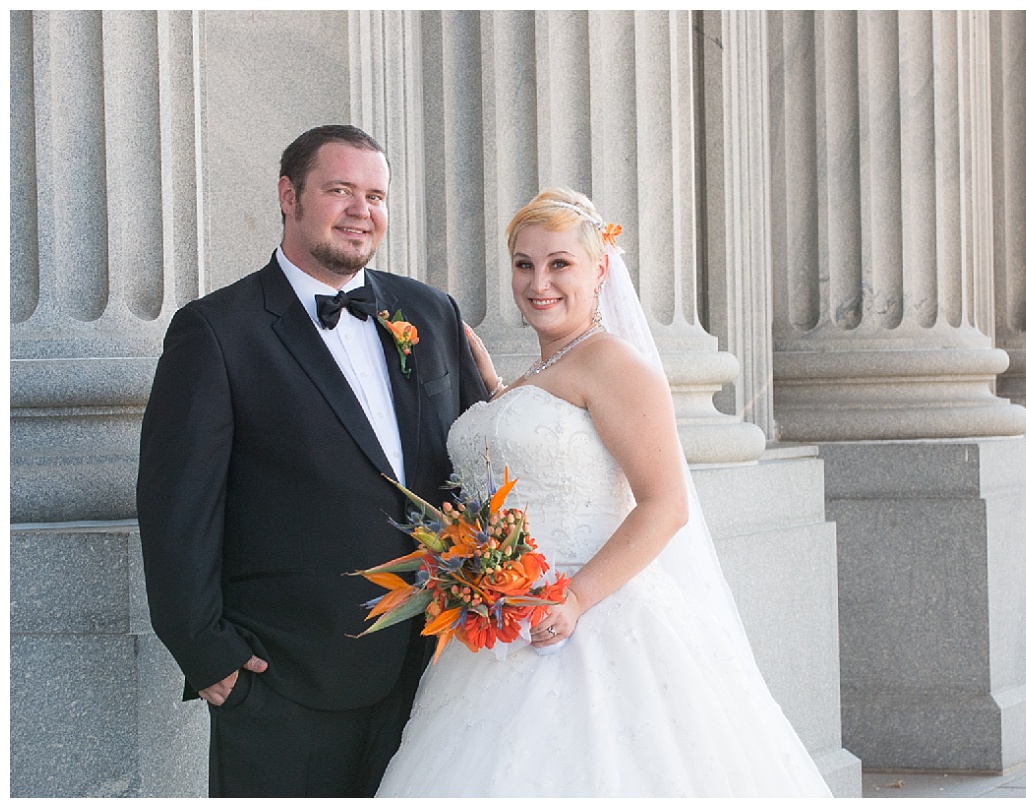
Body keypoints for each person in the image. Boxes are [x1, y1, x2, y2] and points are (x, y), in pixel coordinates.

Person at [374, 188, 833, 797]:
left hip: (589, 613)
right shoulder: (539, 371)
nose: (540, 281)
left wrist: (575, 600)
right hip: (500, 623)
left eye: (560, 263)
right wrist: (495, 395)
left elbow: (666, 505)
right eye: (524, 264)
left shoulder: (614, 364)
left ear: (600, 268)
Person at [136, 124, 489, 797]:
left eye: (376, 195)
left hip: (437, 673)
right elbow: (176, 506)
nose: (362, 210)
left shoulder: (430, 311)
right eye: (340, 190)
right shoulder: (216, 331)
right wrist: (209, 654)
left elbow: (476, 461)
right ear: (288, 196)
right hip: (284, 683)